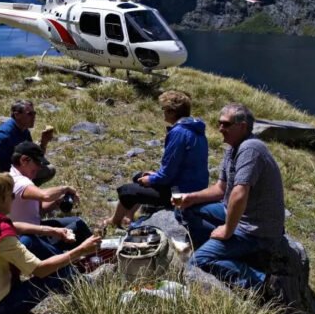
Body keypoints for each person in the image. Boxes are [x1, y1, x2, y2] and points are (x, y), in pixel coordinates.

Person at [0, 172, 101, 314]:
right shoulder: (2, 238)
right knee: (59, 270)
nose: (13, 198)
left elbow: (13, 225)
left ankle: (76, 279)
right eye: (10, 195)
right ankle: (82, 284)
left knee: (28, 240)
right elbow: (40, 270)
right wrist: (81, 250)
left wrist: (51, 230)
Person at [174, 103, 285, 290]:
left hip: (256, 230)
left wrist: (227, 230)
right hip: (236, 215)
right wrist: (190, 198)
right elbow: (221, 189)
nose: (220, 129)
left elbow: (239, 194)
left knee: (197, 263)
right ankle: (216, 248)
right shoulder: (233, 149)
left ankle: (261, 280)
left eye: (226, 124)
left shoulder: (251, 149)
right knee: (185, 210)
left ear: (242, 126)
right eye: (219, 123)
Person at [104, 90, 208, 227]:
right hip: (194, 186)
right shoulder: (195, 130)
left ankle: (114, 221)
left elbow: (168, 173)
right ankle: (129, 216)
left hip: (180, 192)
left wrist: (152, 179)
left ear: (172, 111)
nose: (163, 112)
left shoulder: (179, 132)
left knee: (127, 191)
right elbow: (178, 167)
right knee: (139, 176)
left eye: (164, 109)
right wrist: (154, 176)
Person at [9, 141, 92, 260]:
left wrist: (58, 201)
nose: (39, 167)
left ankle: (82, 258)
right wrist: (65, 188)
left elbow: (39, 210)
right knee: (78, 227)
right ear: (24, 160)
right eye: (37, 163)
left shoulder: (16, 177)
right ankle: (88, 259)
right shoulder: (20, 182)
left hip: (30, 229)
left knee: (77, 223)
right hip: (27, 236)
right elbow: (45, 195)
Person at [0, 100, 56, 185]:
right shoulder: (2, 135)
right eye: (29, 114)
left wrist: (44, 142)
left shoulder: (24, 130)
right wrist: (7, 185)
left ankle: (27, 193)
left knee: (48, 170)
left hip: (17, 171)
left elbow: (34, 156)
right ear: (17, 115)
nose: (34, 117)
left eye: (34, 113)